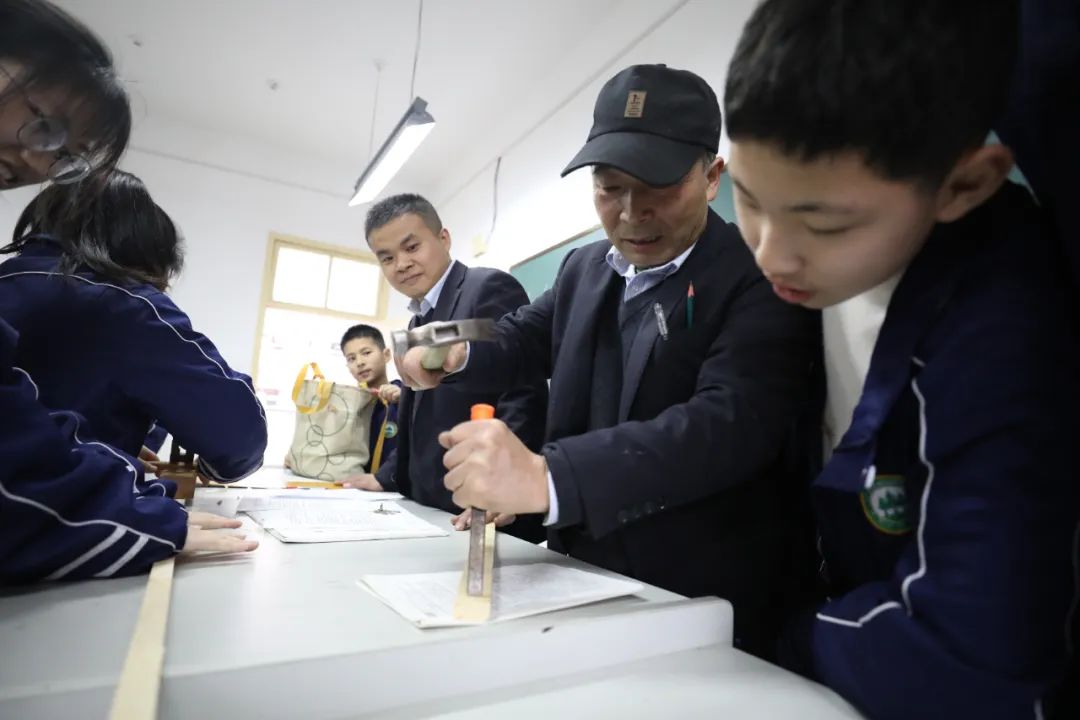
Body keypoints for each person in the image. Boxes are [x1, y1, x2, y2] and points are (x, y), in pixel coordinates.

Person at [721, 0, 1078, 717]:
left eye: (824, 223)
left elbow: (975, 654)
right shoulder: (823, 267)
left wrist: (791, 642)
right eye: (749, 200)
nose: (768, 253)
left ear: (965, 184)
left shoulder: (1002, 330)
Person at [397, 65, 821, 656]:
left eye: (660, 185)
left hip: (706, 602)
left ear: (711, 176)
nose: (630, 212)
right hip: (580, 579)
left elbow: (730, 423)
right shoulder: (584, 268)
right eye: (609, 186)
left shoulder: (760, 274)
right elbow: (517, 335)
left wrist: (546, 479)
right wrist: (452, 343)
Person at [0, 0, 255, 583]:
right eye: (43, 116)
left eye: (64, 155)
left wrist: (106, 460)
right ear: (139, 262)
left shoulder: (11, 277)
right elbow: (239, 442)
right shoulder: (120, 302)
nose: (37, 158)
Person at [0, 170, 267, 484]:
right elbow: (238, 438)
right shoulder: (124, 305)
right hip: (65, 521)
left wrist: (91, 446)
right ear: (143, 251)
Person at [361, 193, 549, 543]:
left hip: (480, 508)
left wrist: (506, 485)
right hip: (431, 505)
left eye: (412, 247)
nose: (401, 264)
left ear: (443, 238)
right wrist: (389, 477)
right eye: (387, 258)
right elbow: (419, 414)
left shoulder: (486, 287)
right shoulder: (418, 318)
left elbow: (523, 388)